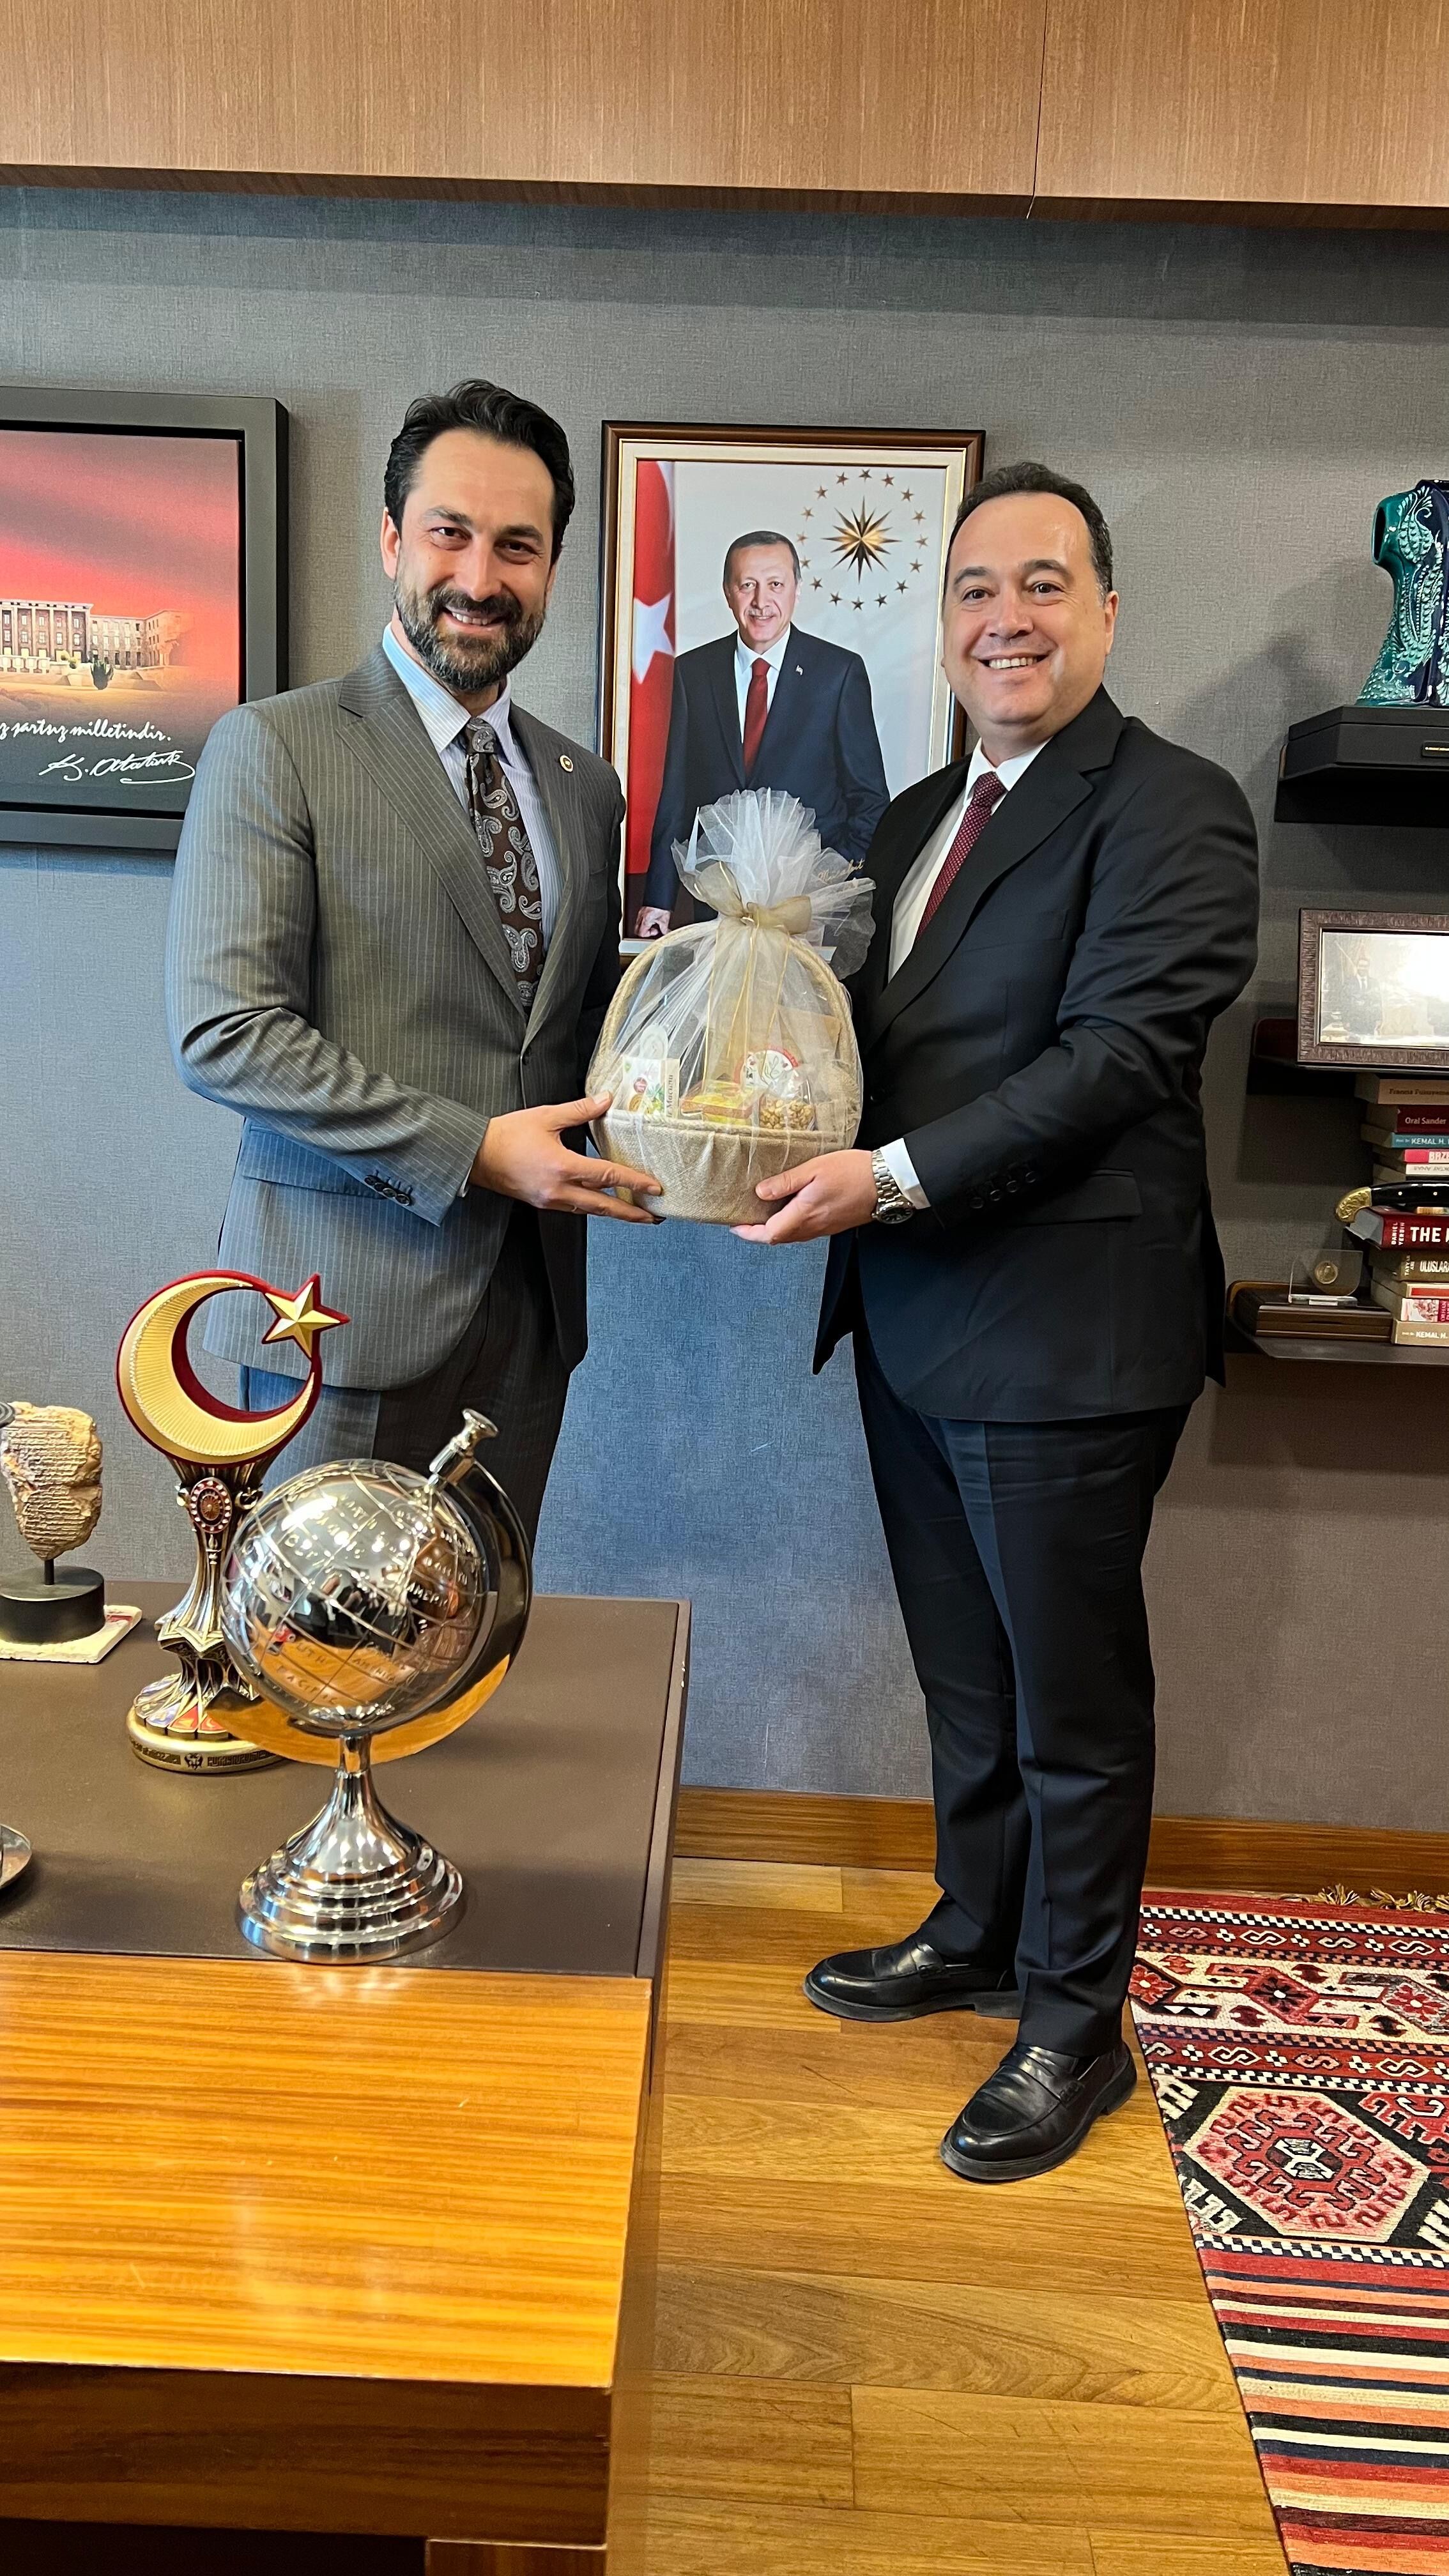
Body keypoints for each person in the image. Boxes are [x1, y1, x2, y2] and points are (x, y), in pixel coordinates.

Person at [735, 462, 1259, 2183]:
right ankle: (974, 1930)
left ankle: (1072, 2024)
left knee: (1070, 1705)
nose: (1005, 618)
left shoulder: (1171, 807)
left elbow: (1116, 1059)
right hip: (909, 1318)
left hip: (1066, 1334)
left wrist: (880, 1177)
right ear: (941, 622)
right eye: (975, 589)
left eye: (1043, 584)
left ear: (1105, 612)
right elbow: (861, 1047)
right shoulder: (908, 821)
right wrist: (732, 1078)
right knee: (966, 1675)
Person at [166, 378, 660, 1540]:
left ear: (552, 567)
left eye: (517, 546)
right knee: (312, 1638)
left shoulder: (585, 787)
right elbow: (226, 1033)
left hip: (529, 1319)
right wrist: (473, 1151)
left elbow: (581, 1029)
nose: (480, 577)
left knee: (482, 1631)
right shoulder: (275, 747)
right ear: (392, 538)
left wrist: (725, 1053)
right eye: (450, 532)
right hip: (335, 1315)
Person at [634, 530, 889, 936]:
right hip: (717, 906)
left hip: (807, 912)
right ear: (728, 592)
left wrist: (825, 883)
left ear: (797, 590)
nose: (761, 601)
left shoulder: (839, 674)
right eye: (747, 585)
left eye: (775, 585)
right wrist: (659, 899)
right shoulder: (693, 673)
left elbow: (870, 800)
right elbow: (677, 796)